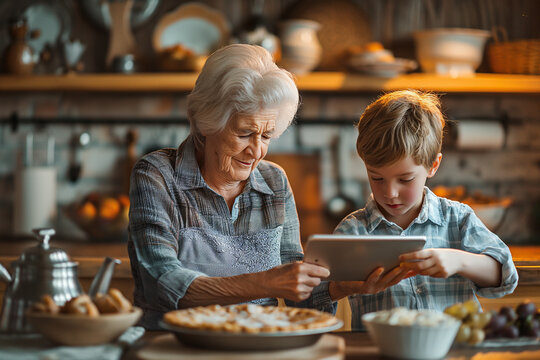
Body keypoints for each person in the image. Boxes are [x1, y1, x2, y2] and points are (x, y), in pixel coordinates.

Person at [127, 44, 407, 330]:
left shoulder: (274, 182)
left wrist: (341, 287)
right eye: (245, 133)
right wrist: (264, 282)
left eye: (267, 135)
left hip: (260, 345)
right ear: (206, 122)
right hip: (173, 348)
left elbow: (301, 297)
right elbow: (161, 282)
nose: (256, 151)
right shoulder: (158, 175)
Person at [334, 90, 519, 330]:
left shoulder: (457, 218)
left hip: (454, 352)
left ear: (433, 166)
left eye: (405, 179)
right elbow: (313, 296)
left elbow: (506, 275)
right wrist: (345, 286)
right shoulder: (353, 231)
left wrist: (459, 261)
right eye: (377, 178)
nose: (390, 192)